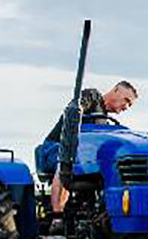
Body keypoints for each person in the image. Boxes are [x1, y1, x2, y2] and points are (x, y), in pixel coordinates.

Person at [40, 81, 138, 213]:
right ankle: (58, 215)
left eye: (129, 105)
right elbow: (76, 106)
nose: (126, 107)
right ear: (116, 90)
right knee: (68, 159)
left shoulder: (106, 124)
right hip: (57, 147)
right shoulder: (93, 97)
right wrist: (79, 107)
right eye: (126, 100)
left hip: (84, 156)